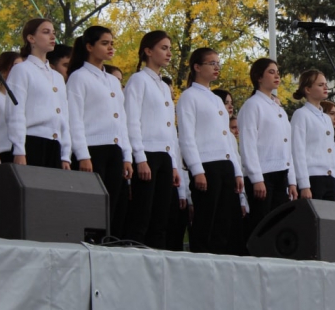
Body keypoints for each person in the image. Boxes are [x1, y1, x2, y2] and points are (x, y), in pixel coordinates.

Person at [176, 47, 245, 254]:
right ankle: (202, 259)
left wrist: (236, 171)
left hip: (225, 164)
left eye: (218, 63)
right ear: (197, 67)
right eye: (211, 63)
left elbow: (226, 138)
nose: (216, 68)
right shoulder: (189, 96)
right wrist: (197, 169)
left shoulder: (215, 99)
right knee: (206, 219)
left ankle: (221, 257)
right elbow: (187, 136)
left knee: (224, 221)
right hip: (207, 165)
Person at [66, 26, 134, 234]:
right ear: (89, 46)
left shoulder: (113, 80)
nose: (110, 47)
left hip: (114, 149)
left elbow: (121, 121)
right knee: (91, 207)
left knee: (110, 206)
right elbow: (74, 119)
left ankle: (105, 241)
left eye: (111, 43)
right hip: (92, 149)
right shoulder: (79, 77)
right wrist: (82, 154)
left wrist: (126, 155)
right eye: (104, 43)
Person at [123, 31, 185, 248]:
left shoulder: (164, 86)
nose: (169, 53)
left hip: (164, 156)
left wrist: (174, 163)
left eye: (170, 49)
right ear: (148, 51)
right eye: (163, 48)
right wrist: (140, 158)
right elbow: (132, 121)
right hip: (147, 153)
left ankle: (156, 257)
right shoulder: (138, 80)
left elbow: (170, 129)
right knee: (142, 213)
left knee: (161, 216)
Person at [237, 58, 297, 250]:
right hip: (263, 175)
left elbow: (286, 146)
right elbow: (248, 144)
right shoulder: (252, 105)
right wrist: (256, 178)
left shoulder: (278, 108)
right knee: (260, 224)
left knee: (278, 225)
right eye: (271, 72)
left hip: (281, 174)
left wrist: (292, 180)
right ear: (259, 77)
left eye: (277, 72)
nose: (277, 76)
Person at [5, 19, 72, 170]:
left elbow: (64, 118)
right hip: (32, 142)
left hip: (54, 145)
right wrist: (19, 149)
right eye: (46, 32)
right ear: (31, 38)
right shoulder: (22, 70)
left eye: (53, 33)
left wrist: (65, 154)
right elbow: (15, 112)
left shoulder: (58, 77)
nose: (52, 37)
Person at [291, 70, 335, 202]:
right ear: (308, 89)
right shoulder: (301, 114)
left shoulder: (326, 118)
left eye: (326, 84)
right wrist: (304, 184)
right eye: (320, 85)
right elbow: (298, 151)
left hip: (329, 178)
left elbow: (332, 153)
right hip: (312, 177)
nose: (325, 87)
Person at [0, 51, 22, 163]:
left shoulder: (21, 100)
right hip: (2, 153)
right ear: (4, 71)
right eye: (16, 67)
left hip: (18, 153)